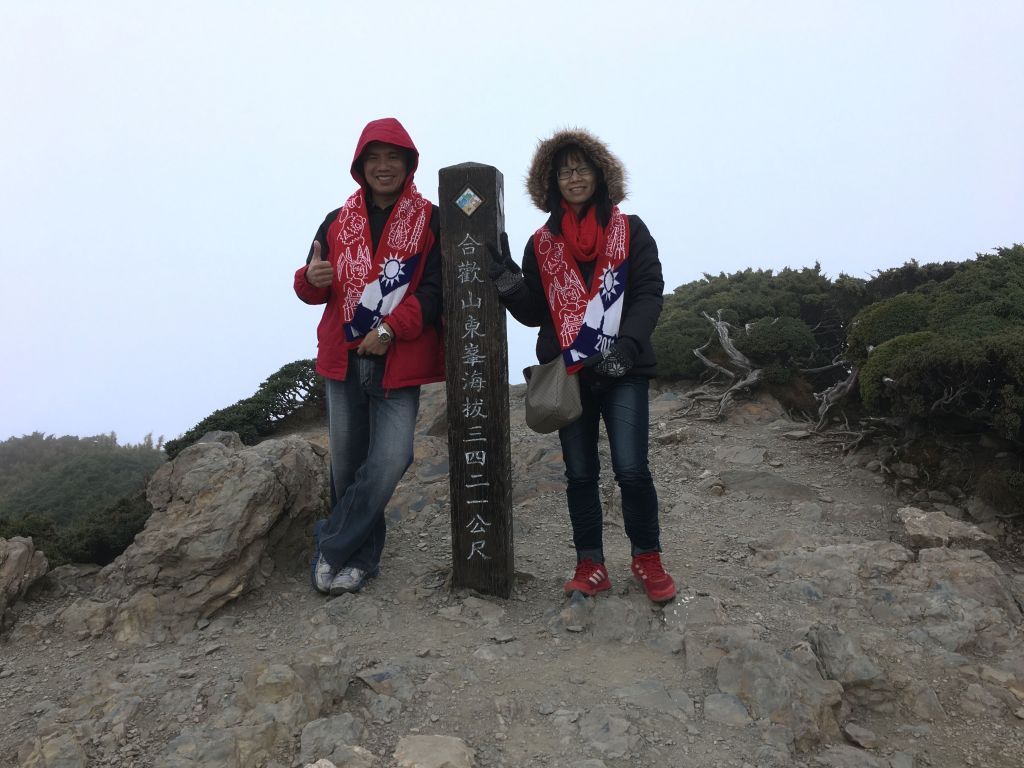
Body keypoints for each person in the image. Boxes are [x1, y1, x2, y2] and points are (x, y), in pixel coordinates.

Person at [489, 128, 677, 603]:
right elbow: (536, 312)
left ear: (599, 174)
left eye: (582, 168)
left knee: (632, 469)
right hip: (569, 372)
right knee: (579, 474)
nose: (574, 177)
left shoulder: (631, 230)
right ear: (551, 181)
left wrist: (628, 349)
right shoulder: (541, 243)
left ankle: (647, 558)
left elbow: (647, 293)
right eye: (564, 170)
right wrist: (511, 282)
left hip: (624, 369)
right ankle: (591, 563)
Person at [294, 117, 444, 596]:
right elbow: (312, 282)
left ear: (408, 164)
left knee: (391, 459)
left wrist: (390, 328)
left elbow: (438, 289)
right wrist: (308, 280)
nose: (383, 167)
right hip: (343, 361)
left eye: (392, 158)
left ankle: (331, 545)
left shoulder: (430, 219)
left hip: (397, 360)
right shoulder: (338, 220)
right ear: (360, 166)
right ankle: (360, 561)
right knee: (346, 467)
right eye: (373, 158)